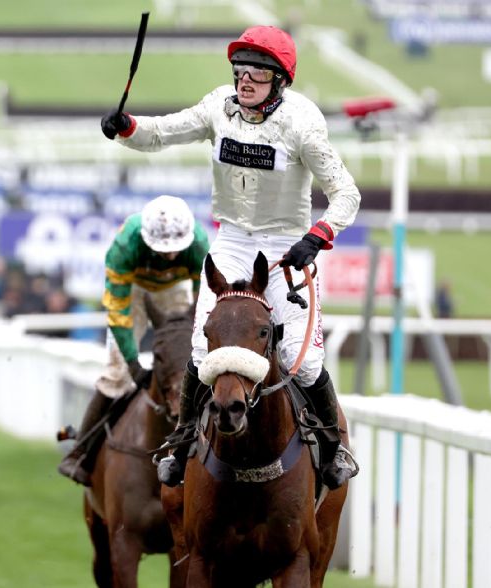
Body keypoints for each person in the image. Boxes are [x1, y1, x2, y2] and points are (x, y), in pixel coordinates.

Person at [100, 25, 361, 490]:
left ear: (281, 80)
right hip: (232, 243)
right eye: (241, 71)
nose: (245, 81)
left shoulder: (303, 123)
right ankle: (181, 442)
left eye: (258, 74)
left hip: (286, 246)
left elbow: (346, 193)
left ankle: (333, 445)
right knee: (203, 354)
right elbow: (160, 133)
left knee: (302, 363)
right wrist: (128, 129)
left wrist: (318, 235)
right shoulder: (218, 107)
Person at [57, 195, 210, 486]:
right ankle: (80, 453)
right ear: (147, 239)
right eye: (162, 250)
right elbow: (118, 312)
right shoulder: (124, 246)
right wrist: (132, 362)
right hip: (134, 293)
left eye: (176, 250)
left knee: (196, 362)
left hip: (177, 291)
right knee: (117, 375)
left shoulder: (199, 244)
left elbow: (206, 299)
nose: (169, 256)